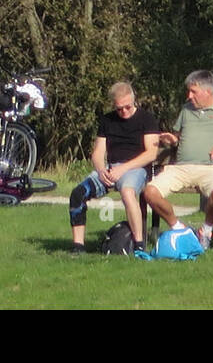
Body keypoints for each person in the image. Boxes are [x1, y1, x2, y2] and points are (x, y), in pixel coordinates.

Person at [143, 70, 213, 250]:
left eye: (193, 92)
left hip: (210, 168)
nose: (189, 96)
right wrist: (173, 140)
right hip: (180, 168)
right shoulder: (186, 110)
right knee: (150, 192)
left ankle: (206, 230)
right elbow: (178, 136)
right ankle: (179, 229)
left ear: (208, 92)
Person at [68, 81, 159, 254]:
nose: (124, 111)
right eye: (119, 108)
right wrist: (102, 170)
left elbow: (151, 154)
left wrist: (123, 169)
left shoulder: (147, 119)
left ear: (134, 101)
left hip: (135, 169)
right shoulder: (107, 120)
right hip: (110, 169)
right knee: (77, 194)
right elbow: (98, 152)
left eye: (127, 107)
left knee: (127, 192)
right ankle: (78, 246)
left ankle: (139, 244)